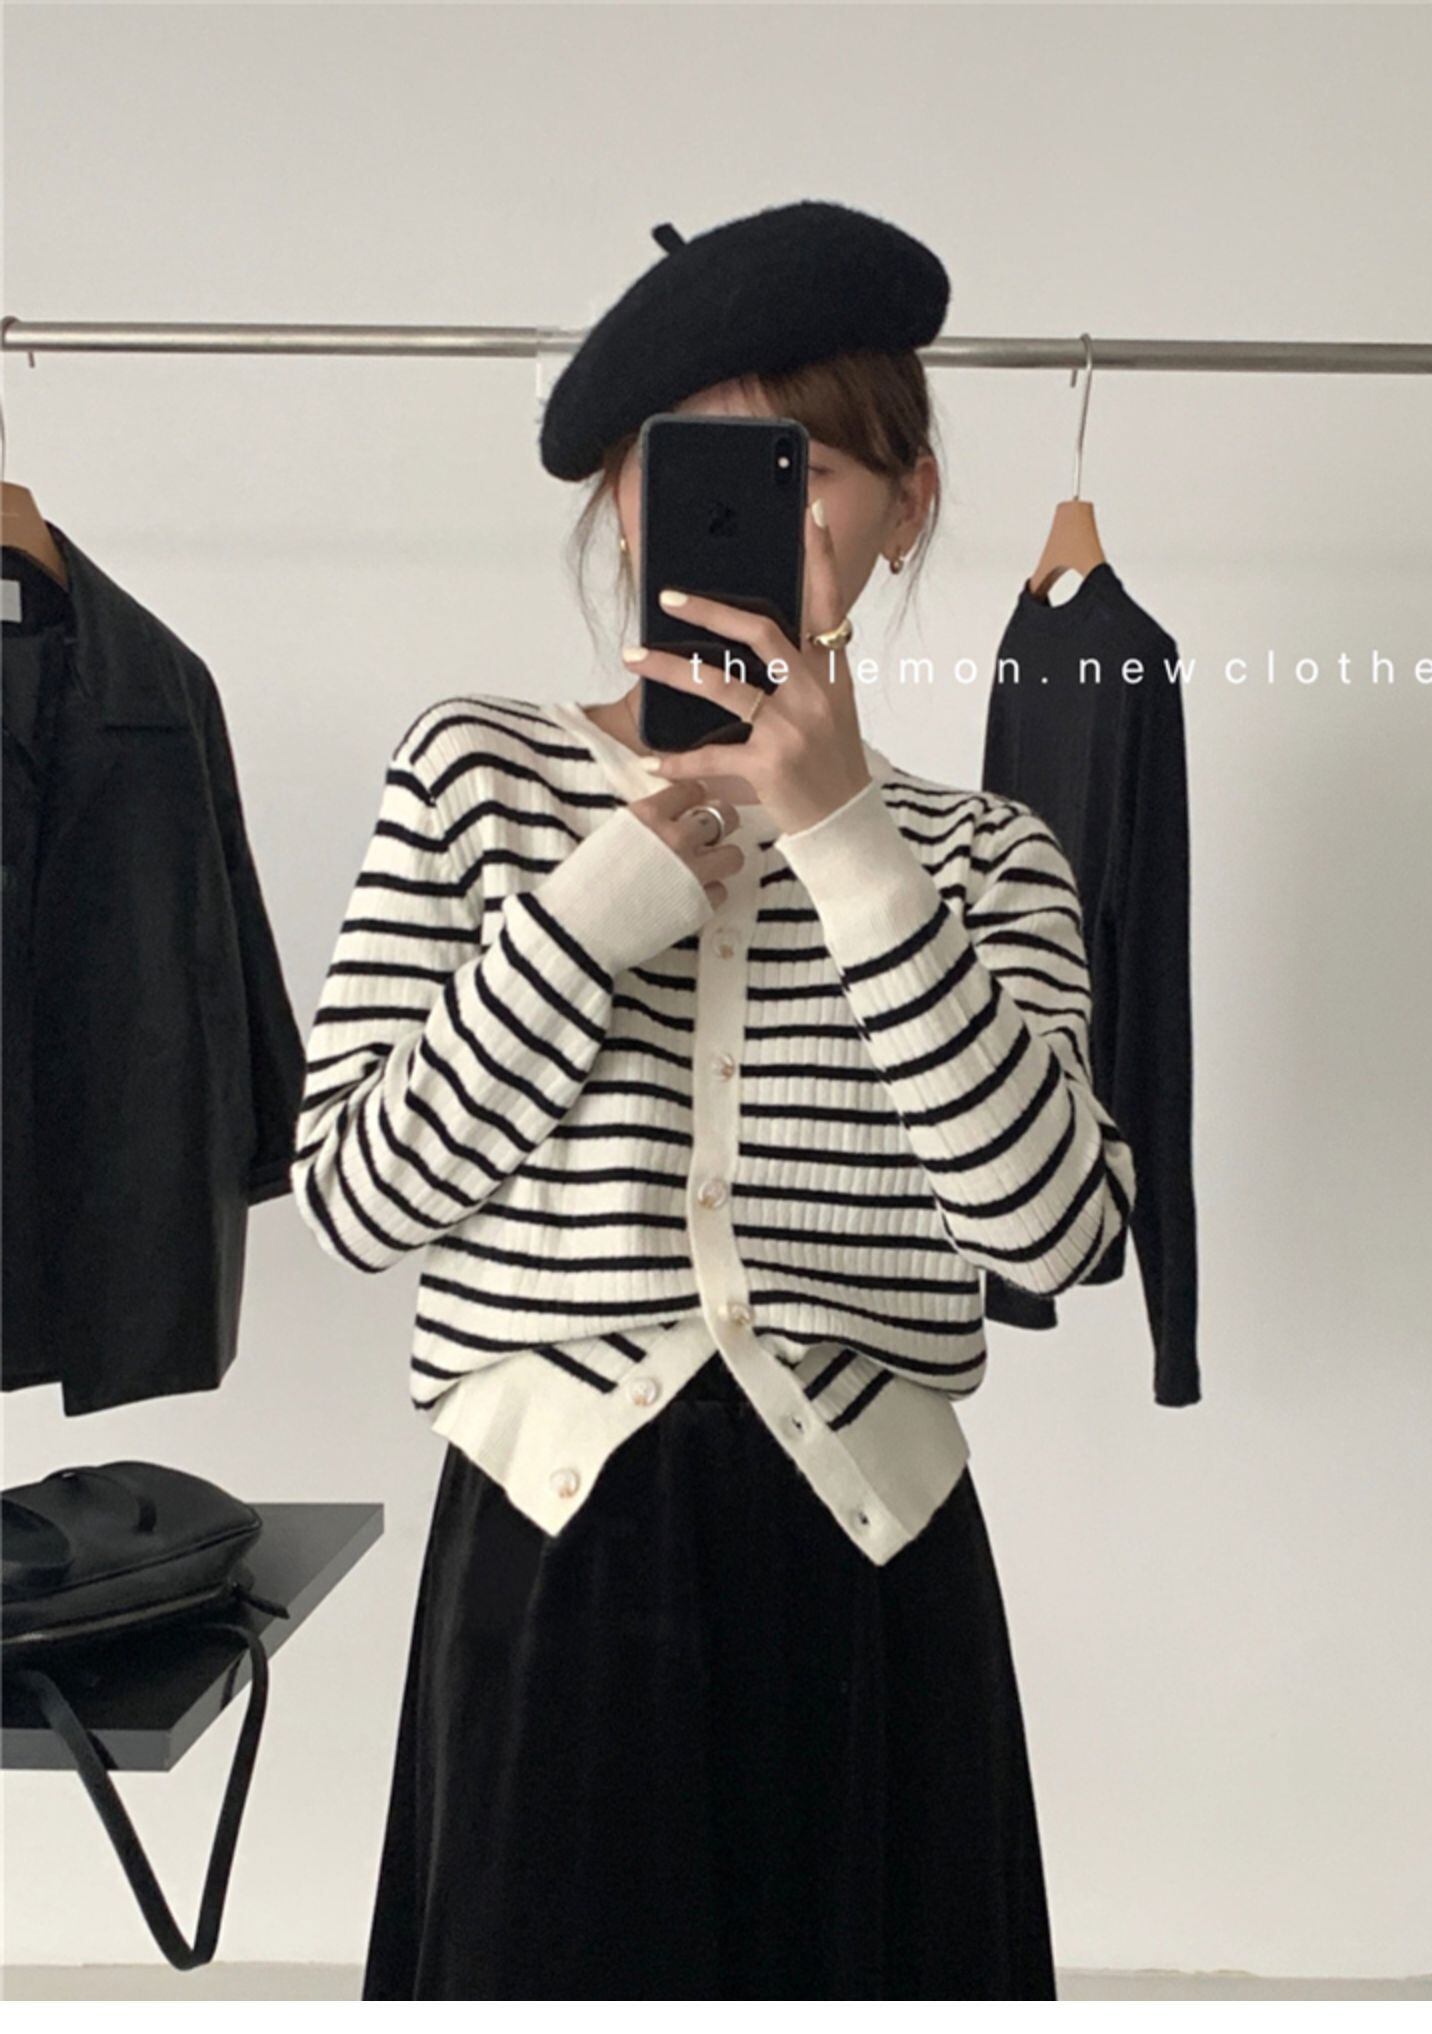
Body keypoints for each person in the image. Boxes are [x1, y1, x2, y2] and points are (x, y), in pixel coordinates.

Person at [293, 201, 1135, 2000]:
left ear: (907, 505)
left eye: (812, 463)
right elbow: (355, 1197)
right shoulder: (475, 777)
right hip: (553, 1568)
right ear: (626, 500)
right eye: (699, 462)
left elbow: (1059, 1230)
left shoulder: (990, 857)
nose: (768, 506)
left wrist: (852, 848)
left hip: (873, 1574)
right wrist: (591, 911)